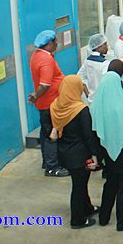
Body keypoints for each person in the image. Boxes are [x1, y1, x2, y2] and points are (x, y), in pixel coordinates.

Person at [91, 67, 123, 232]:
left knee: (110, 183)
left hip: (106, 151)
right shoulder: (119, 107)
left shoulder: (97, 106)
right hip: (122, 149)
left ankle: (104, 217)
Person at [50, 75, 101, 229]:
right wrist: (95, 155)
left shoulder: (56, 106)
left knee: (80, 183)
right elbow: (88, 136)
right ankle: (77, 219)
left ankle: (88, 208)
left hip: (65, 153)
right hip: (80, 155)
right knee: (79, 187)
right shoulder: (81, 110)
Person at [28, 30, 69, 177]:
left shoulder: (37, 56)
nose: (57, 44)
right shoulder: (46, 61)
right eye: (55, 42)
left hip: (45, 104)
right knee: (53, 134)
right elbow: (45, 84)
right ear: (49, 44)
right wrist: (36, 96)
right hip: (50, 103)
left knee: (45, 133)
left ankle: (47, 161)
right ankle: (52, 167)